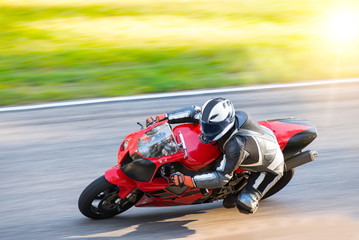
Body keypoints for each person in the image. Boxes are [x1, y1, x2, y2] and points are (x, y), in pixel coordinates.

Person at [146, 97, 284, 214]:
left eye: (211, 128)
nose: (206, 130)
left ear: (226, 125)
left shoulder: (235, 146)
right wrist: (162, 118)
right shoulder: (217, 121)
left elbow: (222, 178)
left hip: (270, 165)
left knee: (246, 204)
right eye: (206, 125)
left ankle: (248, 194)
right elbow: (194, 112)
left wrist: (188, 180)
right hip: (258, 140)